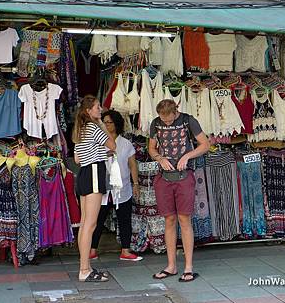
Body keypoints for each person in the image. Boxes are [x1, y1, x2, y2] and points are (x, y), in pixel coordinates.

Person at [148, 99, 210, 282]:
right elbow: (151, 148)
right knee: (169, 219)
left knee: (184, 219)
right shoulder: (155, 123)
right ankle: (171, 266)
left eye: (168, 120)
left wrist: (188, 156)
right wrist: (159, 158)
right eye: (163, 120)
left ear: (175, 111)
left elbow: (205, 144)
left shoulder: (188, 120)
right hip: (164, 177)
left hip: (184, 176)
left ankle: (188, 266)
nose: (165, 123)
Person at [72, 95, 116, 282]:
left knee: (84, 223)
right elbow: (112, 145)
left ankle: (86, 266)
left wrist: (98, 151)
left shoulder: (79, 130)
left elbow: (77, 159)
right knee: (91, 224)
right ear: (89, 111)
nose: (101, 110)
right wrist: (101, 124)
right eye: (98, 107)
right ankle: (84, 269)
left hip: (83, 173)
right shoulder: (93, 127)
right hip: (94, 172)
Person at [90, 110, 142, 261]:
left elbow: (132, 165)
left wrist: (136, 183)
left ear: (116, 124)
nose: (106, 125)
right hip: (103, 187)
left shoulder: (125, 144)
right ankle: (92, 249)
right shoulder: (99, 142)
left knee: (124, 219)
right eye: (104, 122)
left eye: (109, 122)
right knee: (97, 220)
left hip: (123, 186)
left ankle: (125, 250)